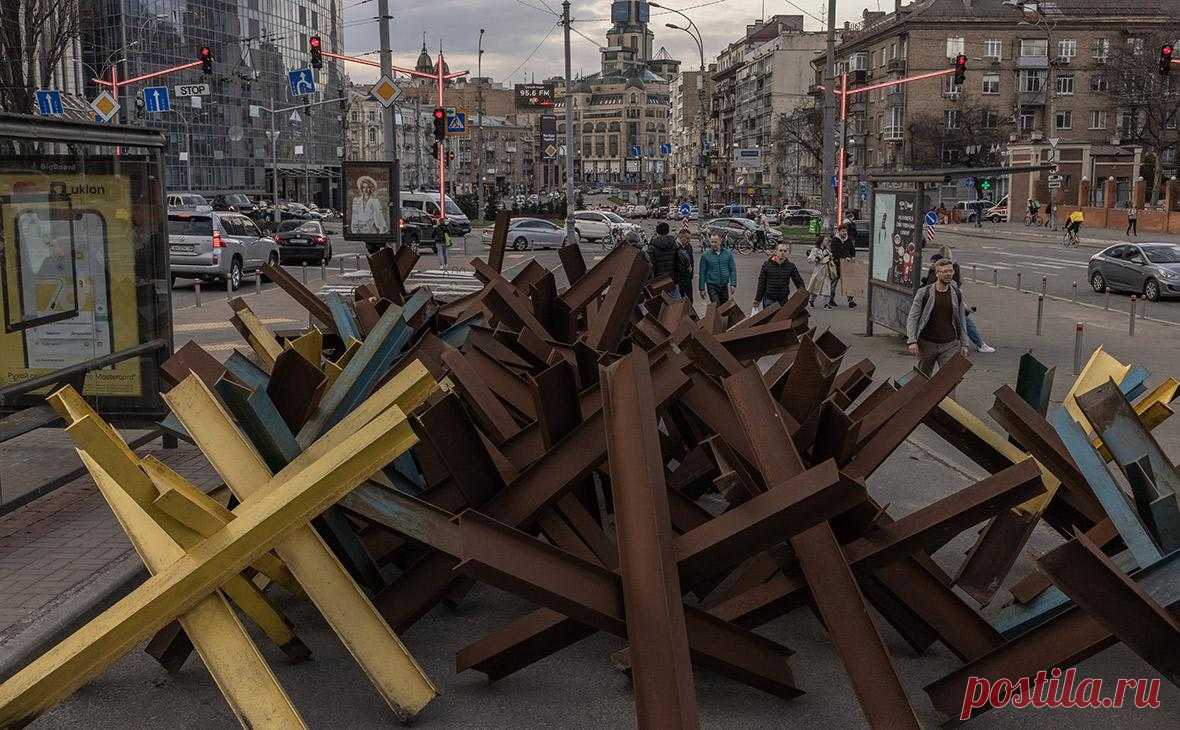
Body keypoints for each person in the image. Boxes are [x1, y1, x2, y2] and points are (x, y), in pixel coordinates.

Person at [921, 249, 995, 353]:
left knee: (962, 320)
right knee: (962, 320)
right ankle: (973, 345)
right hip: (946, 302)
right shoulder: (951, 270)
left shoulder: (936, 271)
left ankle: (974, 345)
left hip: (944, 301)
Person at [907, 258, 970, 376]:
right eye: (944, 271)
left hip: (949, 344)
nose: (948, 274)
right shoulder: (924, 292)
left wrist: (964, 343)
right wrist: (912, 341)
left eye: (950, 271)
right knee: (922, 379)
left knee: (949, 380)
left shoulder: (957, 293)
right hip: (927, 344)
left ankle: (949, 396)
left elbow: (961, 319)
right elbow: (913, 317)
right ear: (937, 273)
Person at [754, 243, 805, 310]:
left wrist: (803, 295)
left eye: (785, 251)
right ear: (775, 252)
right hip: (769, 298)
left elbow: (798, 281)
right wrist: (757, 299)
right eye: (780, 250)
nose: (782, 253)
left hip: (783, 299)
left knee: (781, 320)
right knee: (769, 320)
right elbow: (761, 283)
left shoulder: (790, 266)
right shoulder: (767, 265)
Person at [699, 232, 737, 304]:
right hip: (711, 285)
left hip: (724, 285)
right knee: (716, 305)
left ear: (721, 241)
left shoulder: (728, 254)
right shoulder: (705, 255)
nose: (713, 244)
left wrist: (733, 284)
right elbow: (702, 273)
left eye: (715, 242)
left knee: (724, 307)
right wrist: (702, 288)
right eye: (712, 242)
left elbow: (732, 270)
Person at [830, 223, 858, 308]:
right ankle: (830, 299)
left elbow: (852, 250)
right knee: (834, 282)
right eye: (843, 231)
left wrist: (852, 257)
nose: (845, 233)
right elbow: (835, 252)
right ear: (839, 232)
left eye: (846, 231)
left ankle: (851, 301)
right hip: (837, 264)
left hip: (847, 264)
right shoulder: (835, 240)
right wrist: (843, 258)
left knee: (849, 282)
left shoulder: (848, 240)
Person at [805, 235, 837, 309]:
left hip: (826, 271)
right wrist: (816, 259)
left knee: (827, 288)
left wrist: (830, 257)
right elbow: (810, 259)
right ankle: (811, 301)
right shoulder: (815, 249)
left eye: (827, 240)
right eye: (825, 240)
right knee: (815, 288)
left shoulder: (827, 250)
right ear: (821, 241)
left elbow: (830, 258)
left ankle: (826, 304)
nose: (827, 242)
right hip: (819, 271)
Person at [646, 221, 678, 285]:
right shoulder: (674, 244)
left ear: (657, 232)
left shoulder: (653, 246)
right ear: (668, 231)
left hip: (657, 280)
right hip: (671, 278)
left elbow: (649, 264)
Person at [674, 227, 695, 302]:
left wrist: (691, 273)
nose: (689, 240)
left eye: (689, 238)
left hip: (688, 279)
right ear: (680, 237)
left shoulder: (688, 246)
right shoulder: (674, 247)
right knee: (680, 302)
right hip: (679, 280)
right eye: (687, 238)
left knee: (690, 301)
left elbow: (692, 261)